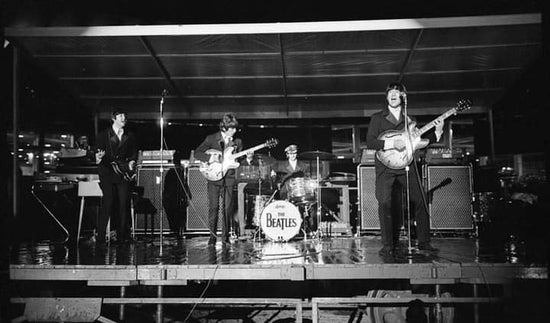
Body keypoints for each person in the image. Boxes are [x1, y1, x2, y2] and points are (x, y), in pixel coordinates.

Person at [366, 82, 443, 256]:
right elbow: (371, 142)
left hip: (406, 165)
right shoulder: (377, 118)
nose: (393, 94)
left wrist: (437, 132)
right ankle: (388, 244)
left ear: (402, 97)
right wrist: (393, 143)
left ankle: (424, 242)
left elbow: (418, 144)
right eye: (390, 92)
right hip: (385, 167)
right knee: (384, 203)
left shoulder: (410, 120)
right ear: (386, 97)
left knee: (421, 199)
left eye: (397, 92)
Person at [195, 113, 243, 245]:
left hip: (228, 178)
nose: (234, 131)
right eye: (231, 128)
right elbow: (197, 153)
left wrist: (245, 156)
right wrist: (211, 158)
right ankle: (212, 237)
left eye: (235, 128)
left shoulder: (237, 142)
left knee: (227, 208)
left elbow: (237, 160)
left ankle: (225, 237)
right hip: (214, 178)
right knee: (214, 207)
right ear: (224, 128)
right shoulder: (211, 139)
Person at [95, 109, 138, 244]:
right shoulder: (104, 135)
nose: (123, 118)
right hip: (107, 172)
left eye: (124, 116)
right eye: (120, 116)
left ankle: (122, 236)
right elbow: (97, 152)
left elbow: (133, 153)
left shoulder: (129, 135)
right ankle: (101, 236)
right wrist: (98, 157)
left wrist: (131, 162)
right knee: (108, 202)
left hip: (122, 172)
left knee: (123, 203)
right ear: (113, 119)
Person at [163, 150, 192, 239]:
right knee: (178, 216)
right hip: (174, 198)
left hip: (176, 198)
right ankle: (178, 231)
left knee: (178, 216)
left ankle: (178, 231)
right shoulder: (176, 171)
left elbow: (183, 184)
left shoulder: (178, 171)